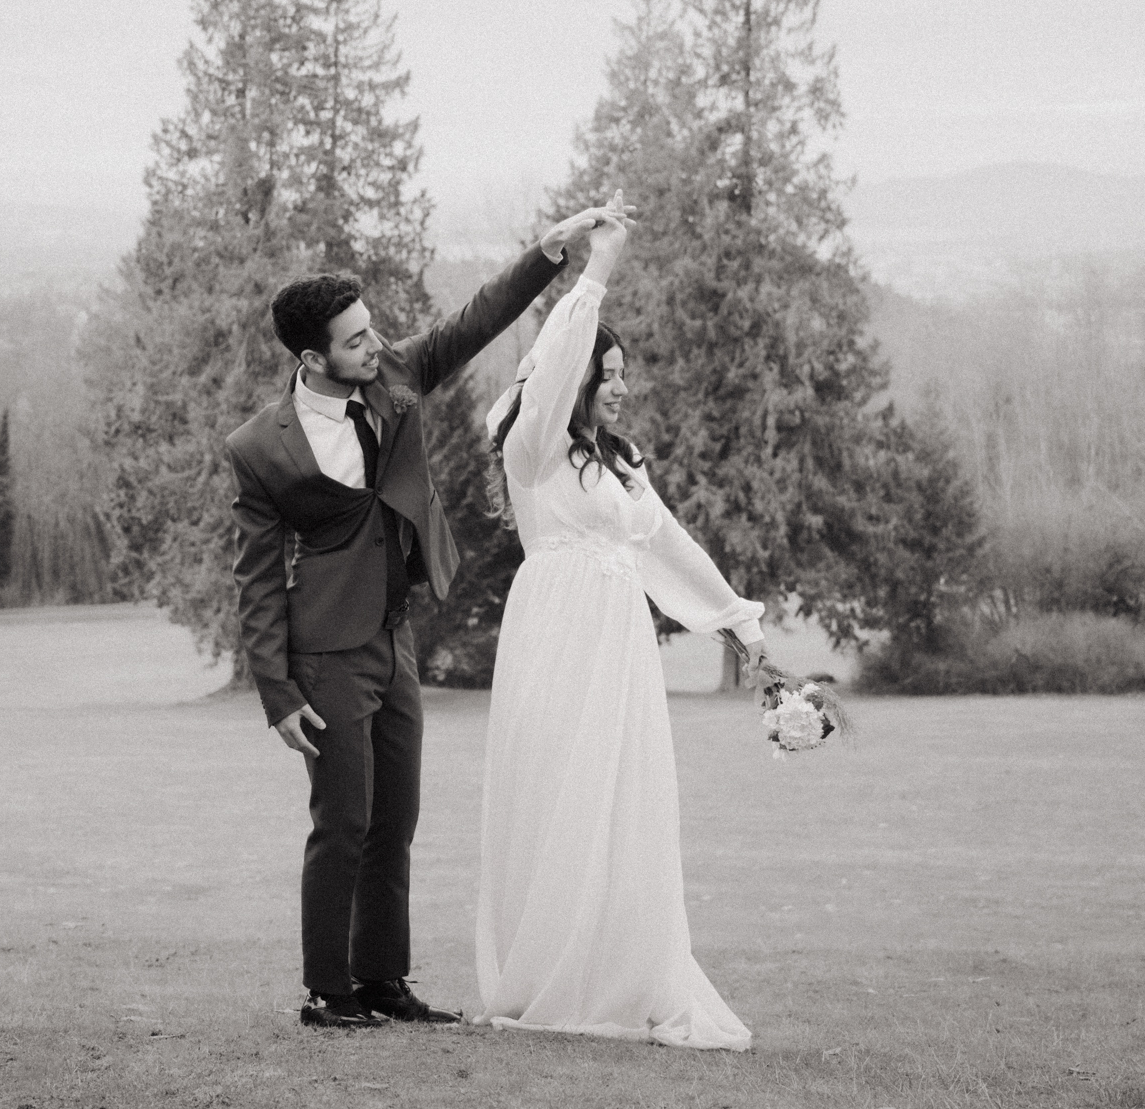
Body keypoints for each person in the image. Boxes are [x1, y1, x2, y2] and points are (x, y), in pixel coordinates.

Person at [226, 197, 637, 1030]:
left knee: (396, 819)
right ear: (312, 356)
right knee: (341, 820)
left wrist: (548, 253)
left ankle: (383, 980)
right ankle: (326, 990)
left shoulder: (393, 377)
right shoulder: (259, 448)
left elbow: (472, 321)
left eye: (372, 330)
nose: (373, 346)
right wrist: (277, 694)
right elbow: (258, 579)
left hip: (393, 635)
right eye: (354, 340)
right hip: (326, 651)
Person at [476, 196, 763, 1051]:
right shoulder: (529, 449)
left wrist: (733, 620)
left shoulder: (622, 463)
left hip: (618, 640)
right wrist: (594, 271)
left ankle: (620, 970)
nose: (624, 383)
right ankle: (551, 970)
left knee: (621, 796)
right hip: (555, 633)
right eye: (615, 371)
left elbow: (667, 546)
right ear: (578, 378)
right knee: (561, 790)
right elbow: (556, 365)